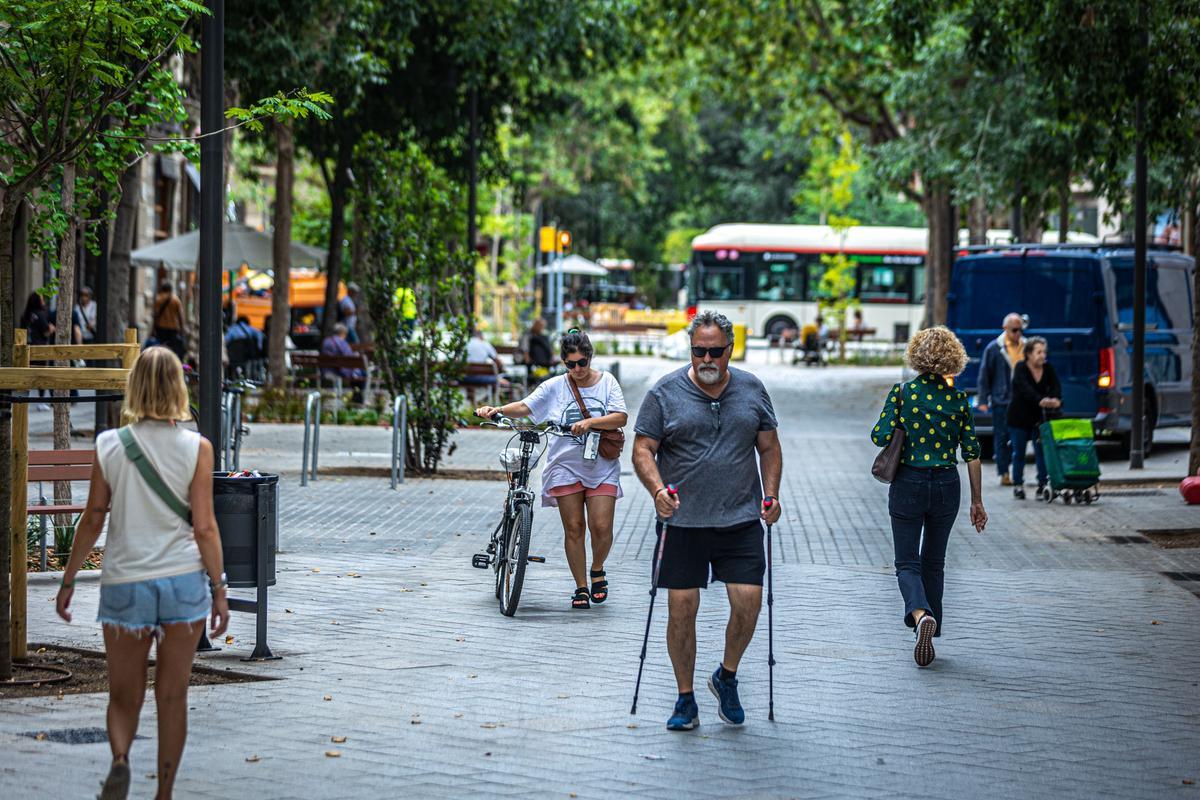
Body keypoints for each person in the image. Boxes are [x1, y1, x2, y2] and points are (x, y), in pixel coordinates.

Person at [55, 346, 230, 800]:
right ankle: (164, 794)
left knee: (123, 696)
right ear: (178, 388)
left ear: (134, 387)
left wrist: (69, 578)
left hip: (125, 582)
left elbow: (93, 519)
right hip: (182, 582)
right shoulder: (198, 448)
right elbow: (206, 526)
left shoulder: (109, 445)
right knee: (172, 697)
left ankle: (119, 761)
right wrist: (220, 588)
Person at [632, 310, 782, 731]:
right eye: (699, 351)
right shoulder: (664, 393)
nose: (707, 359)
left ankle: (726, 676)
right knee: (681, 608)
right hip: (682, 521)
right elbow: (642, 449)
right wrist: (658, 491)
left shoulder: (753, 389)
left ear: (730, 350)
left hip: (740, 518)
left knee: (748, 601)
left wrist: (771, 495)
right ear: (691, 350)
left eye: (715, 351)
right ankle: (685, 699)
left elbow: (769, 447)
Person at [476, 330, 627, 610]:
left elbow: (621, 417)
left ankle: (597, 568)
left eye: (582, 363)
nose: (578, 370)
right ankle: (581, 586)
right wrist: (496, 410)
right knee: (574, 528)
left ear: (590, 358)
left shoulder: (607, 382)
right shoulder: (555, 386)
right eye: (571, 365)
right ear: (563, 363)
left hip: (602, 466)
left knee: (602, 526)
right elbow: (525, 406)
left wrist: (591, 423)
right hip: (565, 465)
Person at [871, 326, 987, 667]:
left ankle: (921, 616)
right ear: (954, 357)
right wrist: (977, 502)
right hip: (947, 485)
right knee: (934, 562)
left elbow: (879, 436)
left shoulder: (903, 393)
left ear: (916, 356)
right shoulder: (958, 400)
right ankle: (929, 629)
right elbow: (972, 452)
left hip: (908, 482)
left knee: (907, 561)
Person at [1007, 336, 1061, 500]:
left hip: (1039, 418)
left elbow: (1056, 386)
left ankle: (1042, 484)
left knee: (1042, 452)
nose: (1043, 355)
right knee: (1019, 453)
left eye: (1044, 352)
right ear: (1029, 353)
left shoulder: (1049, 368)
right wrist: (1041, 400)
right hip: (1019, 417)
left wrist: (1055, 399)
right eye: (1039, 352)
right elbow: (1024, 388)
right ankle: (1018, 484)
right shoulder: (1020, 367)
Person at [976, 313, 1026, 487]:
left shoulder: (1026, 347)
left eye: (1020, 329)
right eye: (1014, 330)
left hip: (1022, 401)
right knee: (1001, 437)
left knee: (1019, 437)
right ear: (1005, 329)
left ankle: (1018, 474)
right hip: (1001, 400)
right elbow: (984, 375)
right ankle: (1004, 472)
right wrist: (983, 399)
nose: (1018, 333)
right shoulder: (994, 348)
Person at [150, 282, 187, 361]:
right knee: (173, 349)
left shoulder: (158, 299)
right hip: (173, 328)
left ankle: (162, 362)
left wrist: (152, 329)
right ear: (170, 289)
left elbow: (155, 315)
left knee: (161, 348)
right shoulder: (176, 300)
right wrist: (182, 329)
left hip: (161, 328)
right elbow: (180, 316)